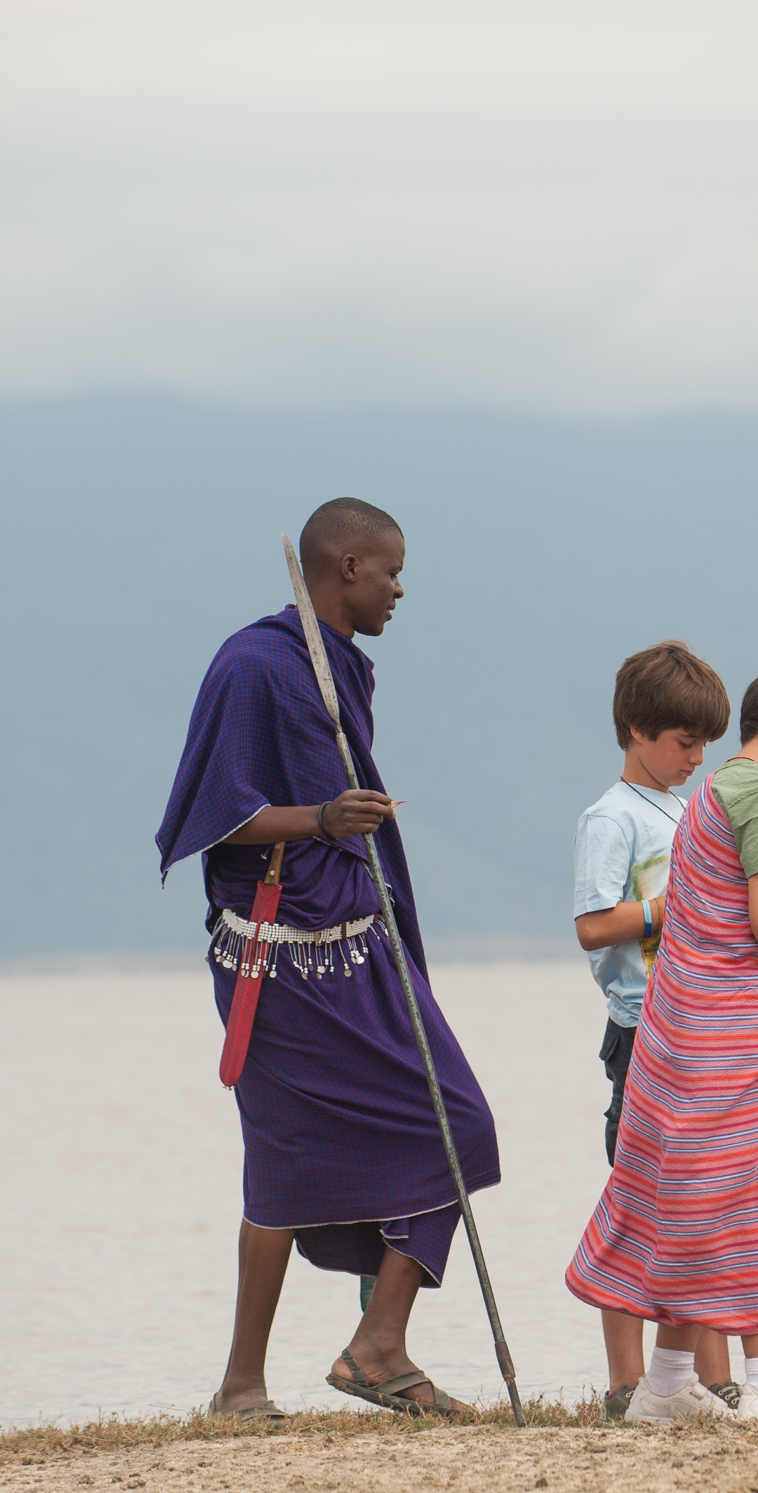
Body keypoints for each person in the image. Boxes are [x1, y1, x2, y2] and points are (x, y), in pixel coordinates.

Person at [154, 497, 499, 1421]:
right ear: (344, 567)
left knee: (458, 1124)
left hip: (359, 946)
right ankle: (240, 1387)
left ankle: (378, 1344)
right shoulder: (254, 665)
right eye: (389, 570)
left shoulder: (339, 665)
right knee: (281, 1164)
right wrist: (320, 819)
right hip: (273, 961)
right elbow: (210, 817)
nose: (398, 588)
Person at [565, 665, 758, 1422]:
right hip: (732, 1034)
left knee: (690, 1198)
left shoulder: (714, 791)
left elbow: (732, 905)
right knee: (745, 1194)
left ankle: (666, 1383)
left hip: (679, 1027)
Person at [571, 640, 737, 1422]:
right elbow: (593, 925)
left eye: (706, 744)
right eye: (683, 743)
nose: (697, 758)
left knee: (703, 1199)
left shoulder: (689, 808)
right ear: (637, 731)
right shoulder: (612, 818)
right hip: (642, 1031)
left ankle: (711, 1374)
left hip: (697, 1025)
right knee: (639, 1199)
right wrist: (677, 909)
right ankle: (625, 1380)